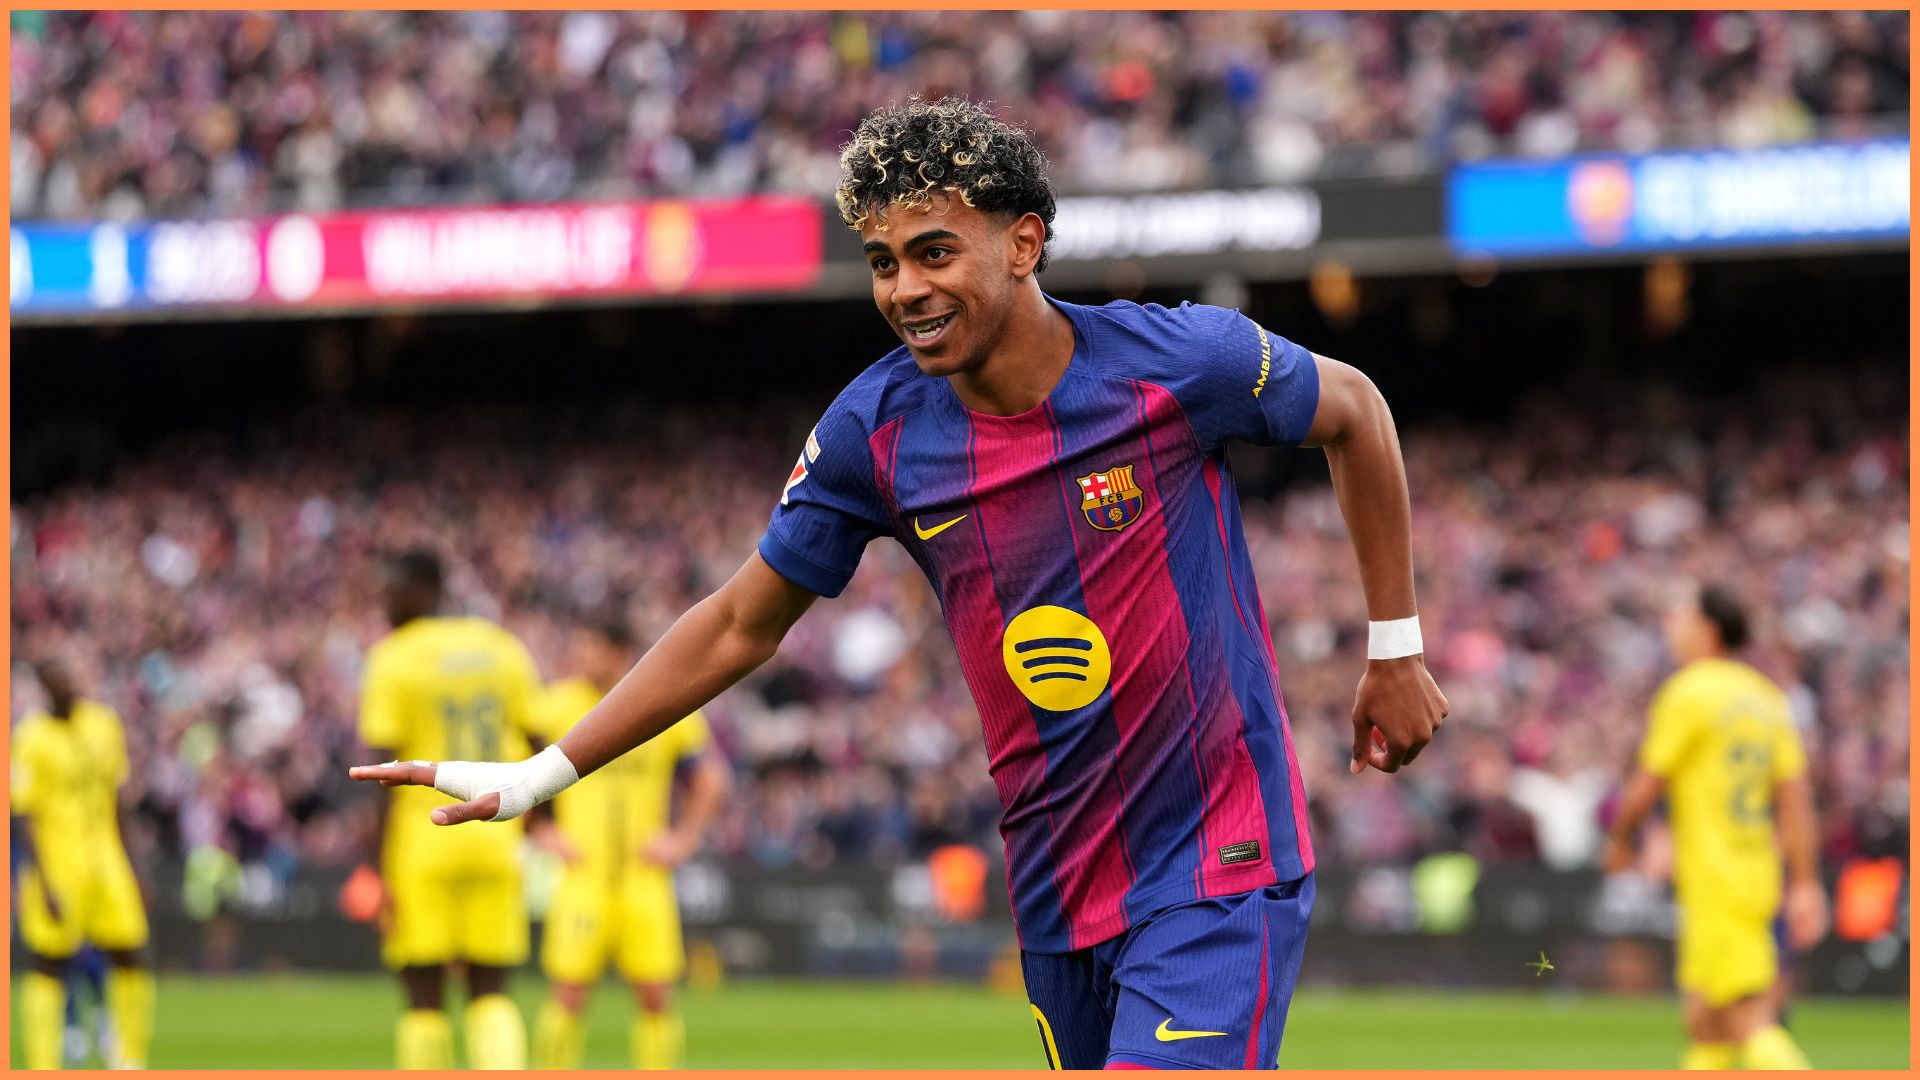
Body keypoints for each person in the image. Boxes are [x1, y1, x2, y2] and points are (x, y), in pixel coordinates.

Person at [352, 96, 1447, 1070]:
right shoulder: (875, 432)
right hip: (1061, 887)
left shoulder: (1179, 364)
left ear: (1024, 244)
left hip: (1220, 860)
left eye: (933, 252)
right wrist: (545, 774)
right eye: (883, 262)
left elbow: (1355, 410)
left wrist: (1394, 645)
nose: (905, 289)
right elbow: (741, 620)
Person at [1605, 583, 1827, 1070]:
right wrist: (1806, 882)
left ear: (1707, 628)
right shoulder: (1768, 698)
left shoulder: (1689, 692)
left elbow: (1646, 785)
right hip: (1754, 874)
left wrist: (1620, 839)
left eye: (1680, 615)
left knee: (1750, 1019)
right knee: (1706, 1022)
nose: (1672, 624)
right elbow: (1794, 801)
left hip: (1716, 878)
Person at [357, 550, 543, 1069]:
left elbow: (382, 769)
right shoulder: (503, 647)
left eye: (391, 589)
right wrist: (541, 822)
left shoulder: (395, 656)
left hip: (423, 842)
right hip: (497, 834)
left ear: (422, 590)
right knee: (492, 990)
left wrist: (373, 863)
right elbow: (540, 741)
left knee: (422, 993)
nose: (384, 602)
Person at [529, 616, 730, 1070]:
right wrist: (538, 829)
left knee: (656, 997)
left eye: (590, 646)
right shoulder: (556, 705)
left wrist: (684, 838)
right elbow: (515, 759)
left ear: (617, 650)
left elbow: (711, 776)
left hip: (645, 876)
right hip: (584, 874)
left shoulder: (663, 697)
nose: (580, 657)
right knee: (567, 995)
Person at [10, 657, 155, 1070]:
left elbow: (118, 799)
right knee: (49, 962)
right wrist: (42, 880)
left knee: (130, 951)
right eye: (60, 679)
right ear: (44, 686)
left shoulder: (103, 724)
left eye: (75, 675)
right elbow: (26, 816)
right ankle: (43, 1064)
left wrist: (134, 866)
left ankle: (128, 1057)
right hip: (58, 863)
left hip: (106, 856)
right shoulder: (31, 738)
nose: (71, 684)